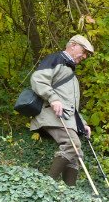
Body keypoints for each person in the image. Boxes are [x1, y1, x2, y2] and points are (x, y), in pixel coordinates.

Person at [30, 35, 94, 186]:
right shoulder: (56, 59)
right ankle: (46, 186)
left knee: (76, 154)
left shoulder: (70, 72)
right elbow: (37, 79)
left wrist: (82, 123)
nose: (84, 56)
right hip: (50, 114)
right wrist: (53, 98)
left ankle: (69, 193)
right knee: (73, 145)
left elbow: (70, 105)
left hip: (64, 117)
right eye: (84, 51)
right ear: (73, 45)